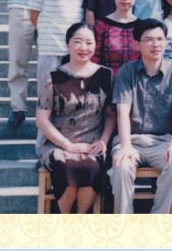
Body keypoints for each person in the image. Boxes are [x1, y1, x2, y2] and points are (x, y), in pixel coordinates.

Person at [109, 19, 172, 214]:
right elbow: (122, 111)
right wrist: (125, 146)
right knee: (121, 167)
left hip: (162, 142)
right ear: (137, 44)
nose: (156, 44)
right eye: (149, 39)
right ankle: (125, 221)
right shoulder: (126, 72)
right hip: (130, 140)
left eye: (160, 39)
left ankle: (157, 219)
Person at [35, 23, 115, 213]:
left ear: (95, 45)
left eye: (89, 42)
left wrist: (103, 141)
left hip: (92, 144)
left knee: (92, 166)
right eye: (77, 42)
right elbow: (42, 119)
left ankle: (80, 217)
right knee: (66, 165)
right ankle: (66, 218)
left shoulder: (106, 75)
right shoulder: (52, 77)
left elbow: (111, 115)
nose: (83, 47)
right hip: (57, 144)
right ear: (67, 44)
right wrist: (67, 145)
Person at [29, 0, 88, 103]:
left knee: (75, 100)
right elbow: (34, 16)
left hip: (77, 50)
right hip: (50, 49)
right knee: (47, 98)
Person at [92, 0, 142, 75]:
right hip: (108, 81)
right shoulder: (101, 25)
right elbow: (94, 58)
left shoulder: (142, 27)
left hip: (135, 81)